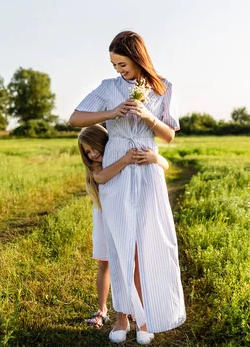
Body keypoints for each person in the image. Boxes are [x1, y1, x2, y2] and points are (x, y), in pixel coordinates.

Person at [70, 31, 186, 345]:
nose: (118, 70)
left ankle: (146, 318)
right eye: (114, 64)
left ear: (137, 57)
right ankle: (121, 317)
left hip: (148, 169)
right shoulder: (108, 89)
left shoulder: (164, 87)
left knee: (148, 243)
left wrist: (147, 116)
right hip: (118, 167)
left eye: (122, 63)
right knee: (121, 245)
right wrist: (112, 113)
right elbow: (74, 118)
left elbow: (169, 136)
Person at [77, 124, 170, 330]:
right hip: (104, 216)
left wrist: (155, 158)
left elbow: (165, 164)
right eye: (87, 152)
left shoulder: (118, 152)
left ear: (105, 142)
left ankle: (135, 309)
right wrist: (125, 160)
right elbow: (101, 177)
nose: (92, 154)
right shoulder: (100, 165)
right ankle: (102, 309)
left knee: (132, 261)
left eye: (94, 148)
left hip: (124, 212)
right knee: (105, 262)